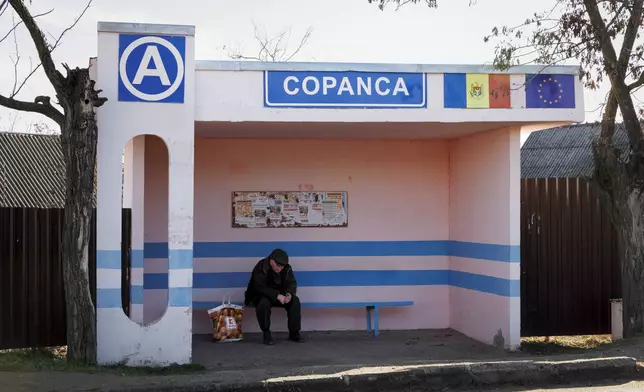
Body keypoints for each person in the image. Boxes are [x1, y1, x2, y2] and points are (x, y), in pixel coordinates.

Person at [244, 248, 302, 345]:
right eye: (278, 265)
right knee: (263, 303)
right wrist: (276, 295)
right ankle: (266, 334)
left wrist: (289, 294)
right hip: (261, 295)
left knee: (295, 301)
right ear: (271, 260)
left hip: (280, 296)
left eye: (282, 266)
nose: (280, 268)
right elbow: (259, 288)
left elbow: (291, 283)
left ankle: (294, 333)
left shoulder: (287, 268)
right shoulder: (261, 267)